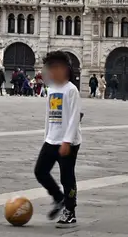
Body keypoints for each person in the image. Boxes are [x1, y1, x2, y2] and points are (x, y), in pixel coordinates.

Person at [33, 51, 81, 226]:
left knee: (67, 177)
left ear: (64, 69)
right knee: (40, 171)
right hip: (52, 139)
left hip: (68, 142)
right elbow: (49, 115)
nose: (51, 72)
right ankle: (58, 197)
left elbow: (75, 117)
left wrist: (67, 141)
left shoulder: (71, 90)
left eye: (54, 68)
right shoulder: (51, 89)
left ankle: (70, 210)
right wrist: (46, 136)